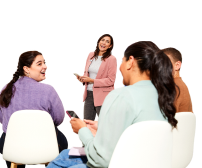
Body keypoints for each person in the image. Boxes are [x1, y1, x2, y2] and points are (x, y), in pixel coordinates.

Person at [46, 41, 178, 168]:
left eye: (122, 61)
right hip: (145, 163)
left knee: (62, 160)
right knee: (65, 155)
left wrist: (82, 130)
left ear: (130, 62)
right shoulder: (161, 96)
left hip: (119, 164)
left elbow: (101, 160)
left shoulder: (122, 95)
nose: (119, 66)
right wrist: (104, 128)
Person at [0, 50, 68, 168]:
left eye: (44, 63)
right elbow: (59, 119)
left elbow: (2, 119)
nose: (45, 66)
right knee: (61, 139)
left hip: (12, 147)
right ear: (26, 69)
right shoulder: (48, 90)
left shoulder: (5, 89)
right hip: (45, 146)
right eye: (39, 64)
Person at [75, 34, 117, 120]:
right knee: (87, 123)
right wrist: (82, 79)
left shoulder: (111, 59)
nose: (104, 43)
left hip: (103, 95)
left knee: (103, 124)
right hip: (89, 93)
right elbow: (87, 73)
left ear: (110, 46)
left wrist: (92, 80)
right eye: (103, 40)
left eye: (107, 41)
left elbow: (111, 80)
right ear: (98, 42)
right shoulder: (91, 55)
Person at [162, 47, 193, 113]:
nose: (160, 67)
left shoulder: (173, 86)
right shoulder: (181, 84)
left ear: (177, 65)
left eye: (165, 63)